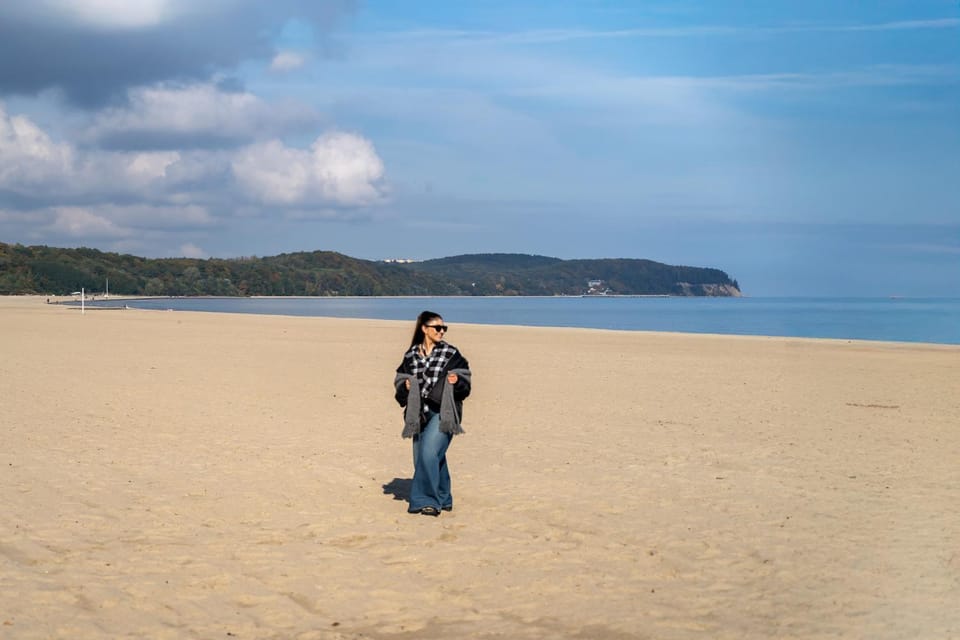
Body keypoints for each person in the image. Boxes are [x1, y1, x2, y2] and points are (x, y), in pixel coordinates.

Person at [393, 311, 472, 516]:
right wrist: (405, 386)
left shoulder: (451, 354)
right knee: (429, 456)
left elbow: (466, 384)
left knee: (428, 452)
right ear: (424, 329)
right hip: (419, 414)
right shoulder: (410, 355)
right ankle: (444, 497)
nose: (441, 331)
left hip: (444, 414)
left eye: (444, 328)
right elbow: (399, 381)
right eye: (437, 327)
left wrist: (458, 382)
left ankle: (426, 501)